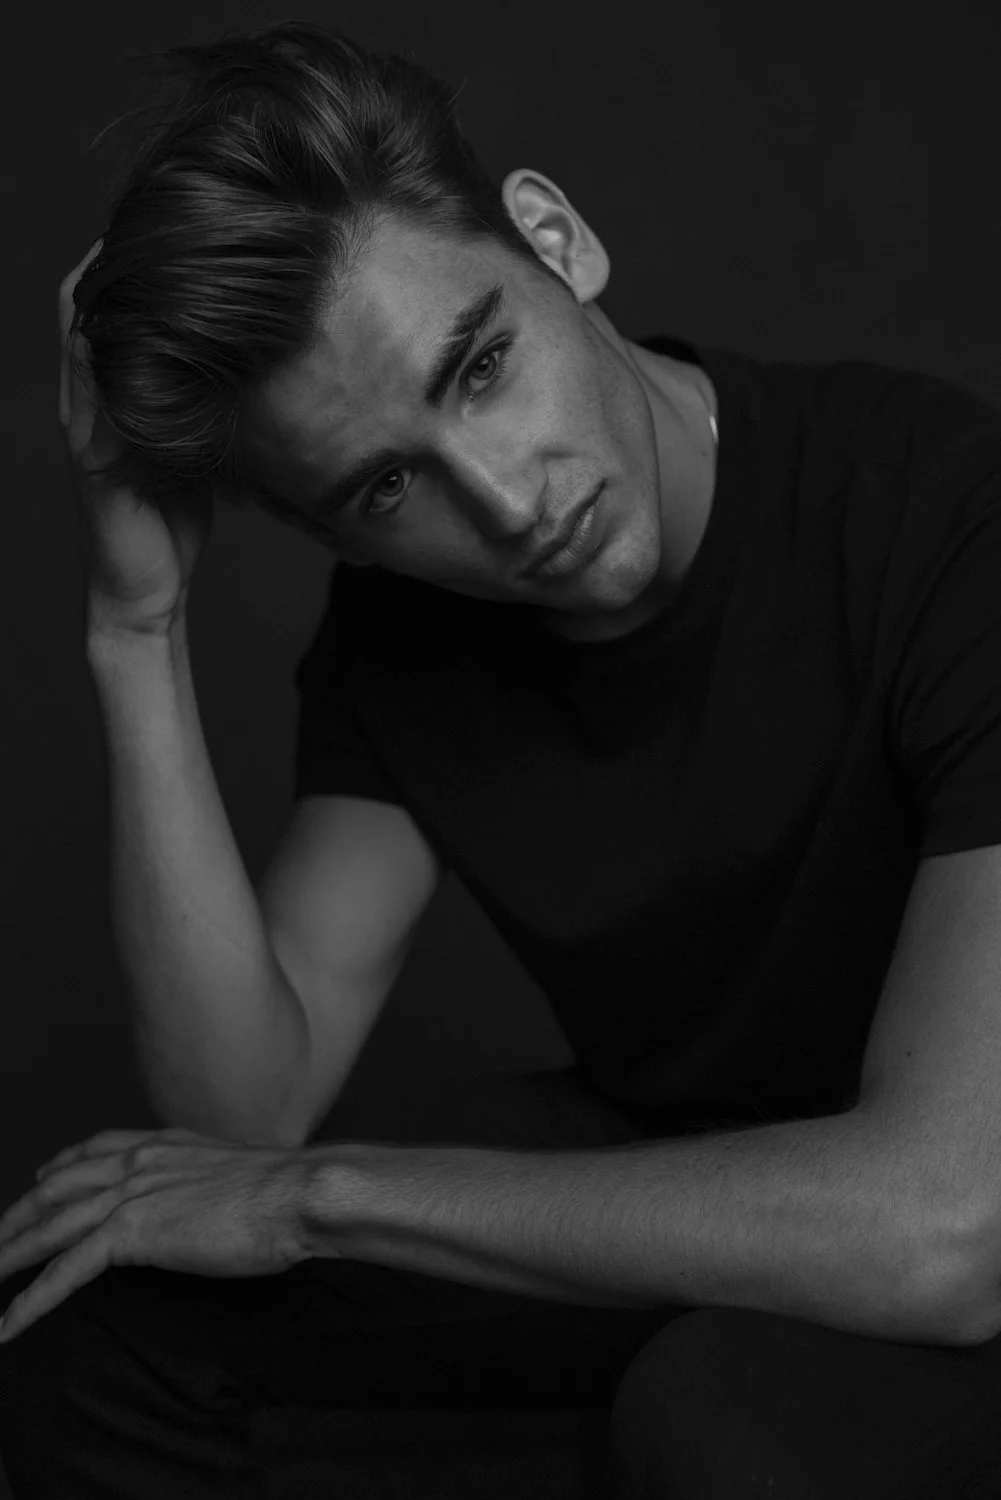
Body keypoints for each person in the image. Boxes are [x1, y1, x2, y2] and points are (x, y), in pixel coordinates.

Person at [2, 16, 1001, 1498]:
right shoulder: (403, 639)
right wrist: (135, 629)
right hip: (678, 1166)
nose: (504, 500)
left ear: (556, 242)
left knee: (726, 1428)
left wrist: (324, 1201)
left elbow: (951, 1228)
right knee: (99, 1309)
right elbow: (238, 1112)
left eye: (478, 366)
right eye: (388, 484)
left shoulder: (943, 513)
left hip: (943, 1213)